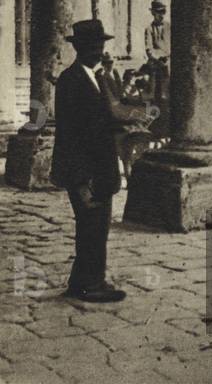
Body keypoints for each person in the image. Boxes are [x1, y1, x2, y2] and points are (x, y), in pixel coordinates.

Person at [51, 19, 145, 302]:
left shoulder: (98, 77)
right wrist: (80, 180)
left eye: (101, 44)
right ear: (80, 48)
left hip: (101, 169)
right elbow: (70, 134)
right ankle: (90, 285)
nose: (100, 50)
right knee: (90, 226)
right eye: (94, 46)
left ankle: (85, 280)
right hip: (86, 172)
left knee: (97, 227)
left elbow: (104, 118)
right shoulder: (71, 80)